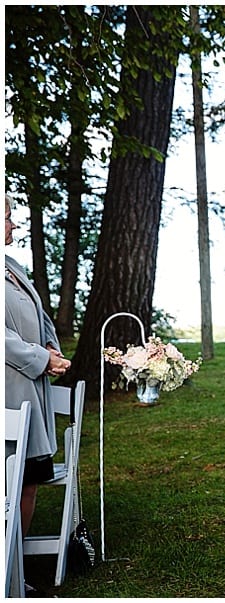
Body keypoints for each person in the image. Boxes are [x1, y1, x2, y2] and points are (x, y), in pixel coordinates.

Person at [5, 194, 71, 595]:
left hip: (32, 391)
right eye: (8, 218)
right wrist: (38, 359)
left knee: (26, 482)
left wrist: (52, 348)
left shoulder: (12, 266)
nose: (13, 225)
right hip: (8, 390)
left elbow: (41, 315)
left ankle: (15, 575)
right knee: (6, 484)